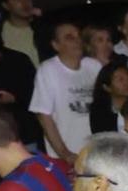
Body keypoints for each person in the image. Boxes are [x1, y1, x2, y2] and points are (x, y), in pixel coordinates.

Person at [28, 22, 100, 165]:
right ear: (56, 45)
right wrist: (65, 154)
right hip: (68, 156)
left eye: (78, 36)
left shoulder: (94, 66)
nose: (77, 41)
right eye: (69, 37)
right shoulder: (48, 70)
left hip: (96, 153)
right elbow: (44, 116)